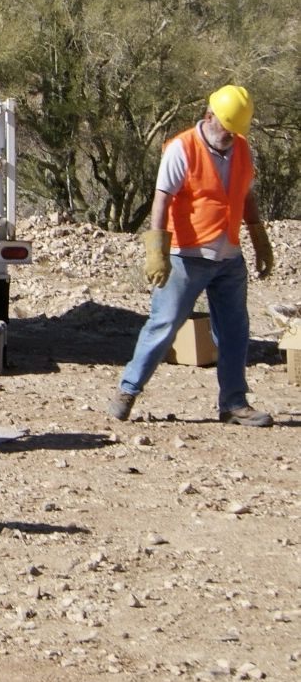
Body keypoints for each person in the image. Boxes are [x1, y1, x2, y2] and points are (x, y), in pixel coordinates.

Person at [110, 85, 276, 428]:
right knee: (164, 325)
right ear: (209, 116)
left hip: (229, 257)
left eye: (235, 132)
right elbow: (162, 200)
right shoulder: (181, 148)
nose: (230, 137)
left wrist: (259, 238)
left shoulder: (242, 149)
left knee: (234, 332)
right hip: (187, 256)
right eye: (226, 129)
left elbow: (246, 194)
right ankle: (127, 390)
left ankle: (234, 403)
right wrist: (156, 250)